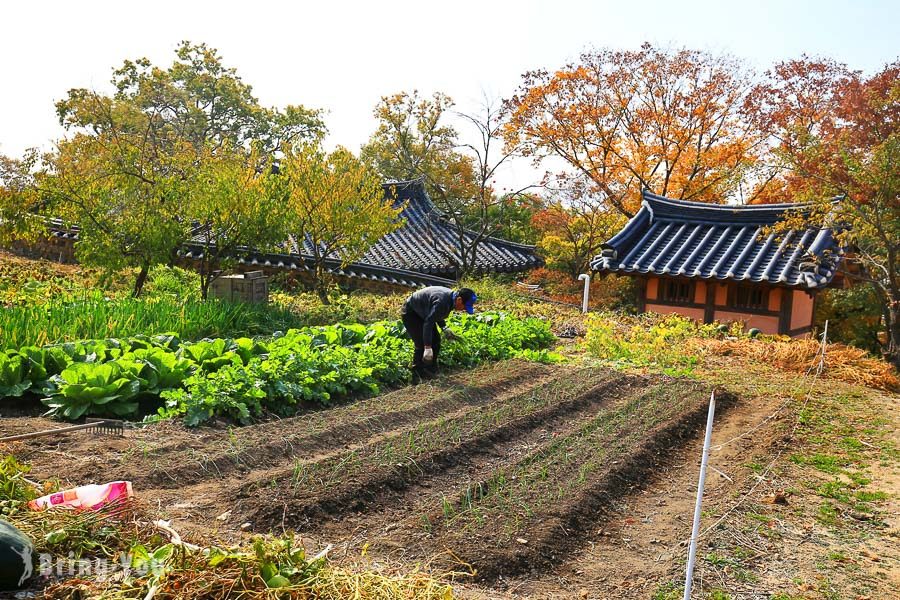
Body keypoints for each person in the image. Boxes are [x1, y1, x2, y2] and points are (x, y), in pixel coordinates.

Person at [400, 286, 477, 379]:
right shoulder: (442, 301)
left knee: (436, 340)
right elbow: (429, 322)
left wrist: (444, 328)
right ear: (459, 300)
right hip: (411, 312)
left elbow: (436, 314)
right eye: (465, 307)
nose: (464, 310)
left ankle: (430, 370)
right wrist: (427, 347)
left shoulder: (451, 299)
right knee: (421, 343)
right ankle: (417, 375)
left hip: (423, 312)